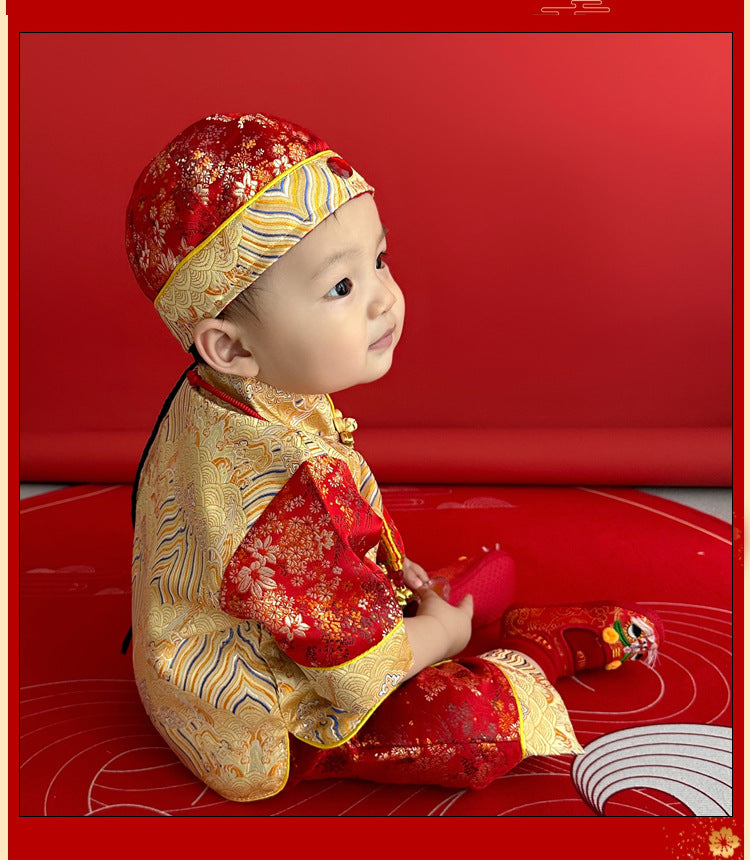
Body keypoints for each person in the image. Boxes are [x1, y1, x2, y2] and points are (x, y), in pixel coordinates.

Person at [125, 112, 663, 803]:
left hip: (198, 651)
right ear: (230, 346)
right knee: (469, 726)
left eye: (378, 260)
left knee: (394, 589)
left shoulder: (217, 393)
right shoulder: (296, 492)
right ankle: (539, 647)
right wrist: (440, 634)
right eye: (341, 288)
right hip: (260, 723)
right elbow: (348, 676)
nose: (384, 297)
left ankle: (411, 599)